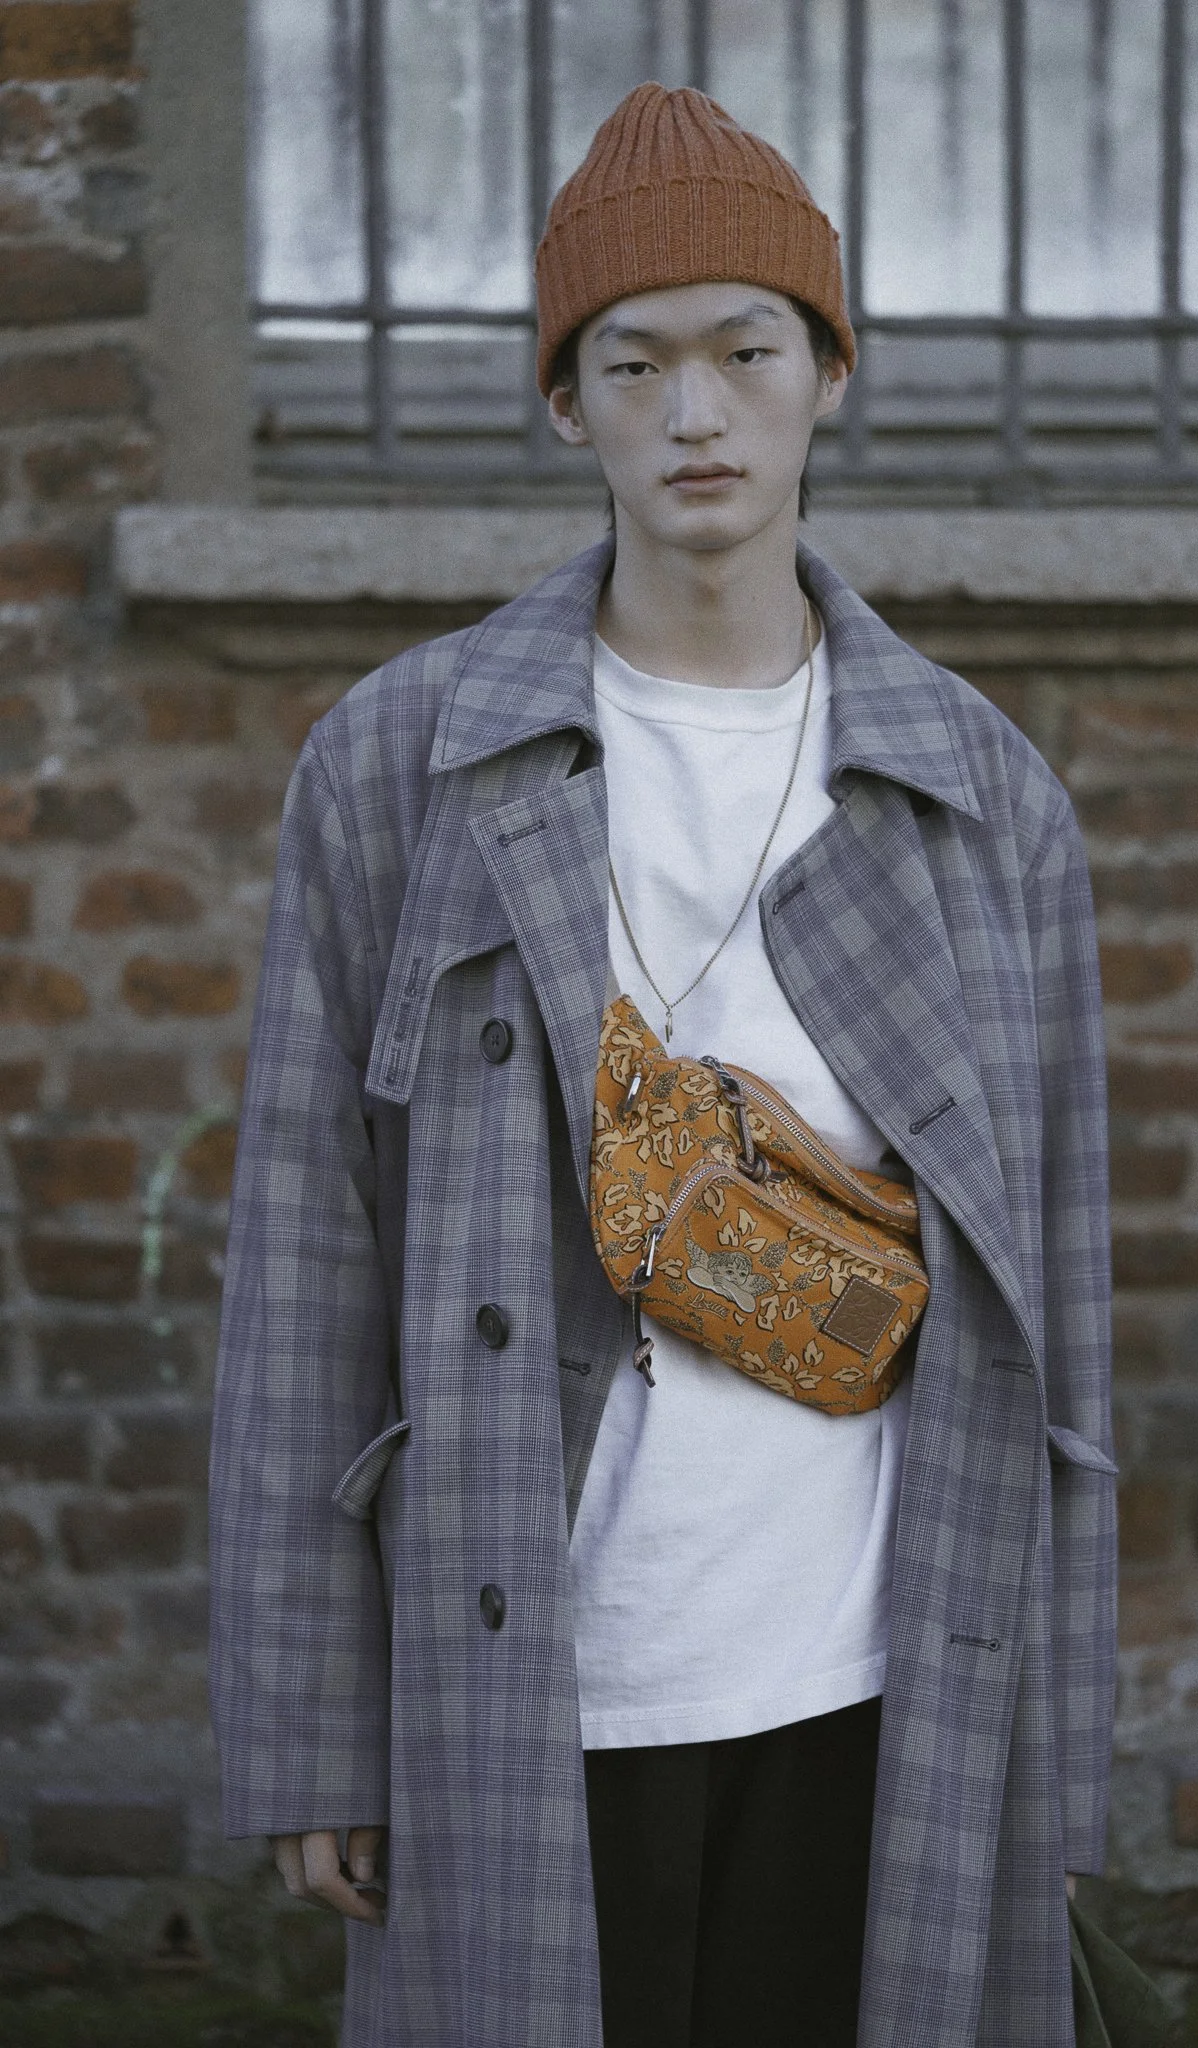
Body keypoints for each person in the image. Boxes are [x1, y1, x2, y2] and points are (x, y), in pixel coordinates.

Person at [209, 83, 1117, 2048]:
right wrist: (307, 1723)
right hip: (516, 1666)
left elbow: (1058, 1317)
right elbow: (302, 1248)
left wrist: (1057, 1760)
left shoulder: (976, 798)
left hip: (873, 1667)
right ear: (568, 404)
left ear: (830, 373)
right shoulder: (401, 764)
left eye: (746, 351)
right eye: (634, 362)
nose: (696, 411)